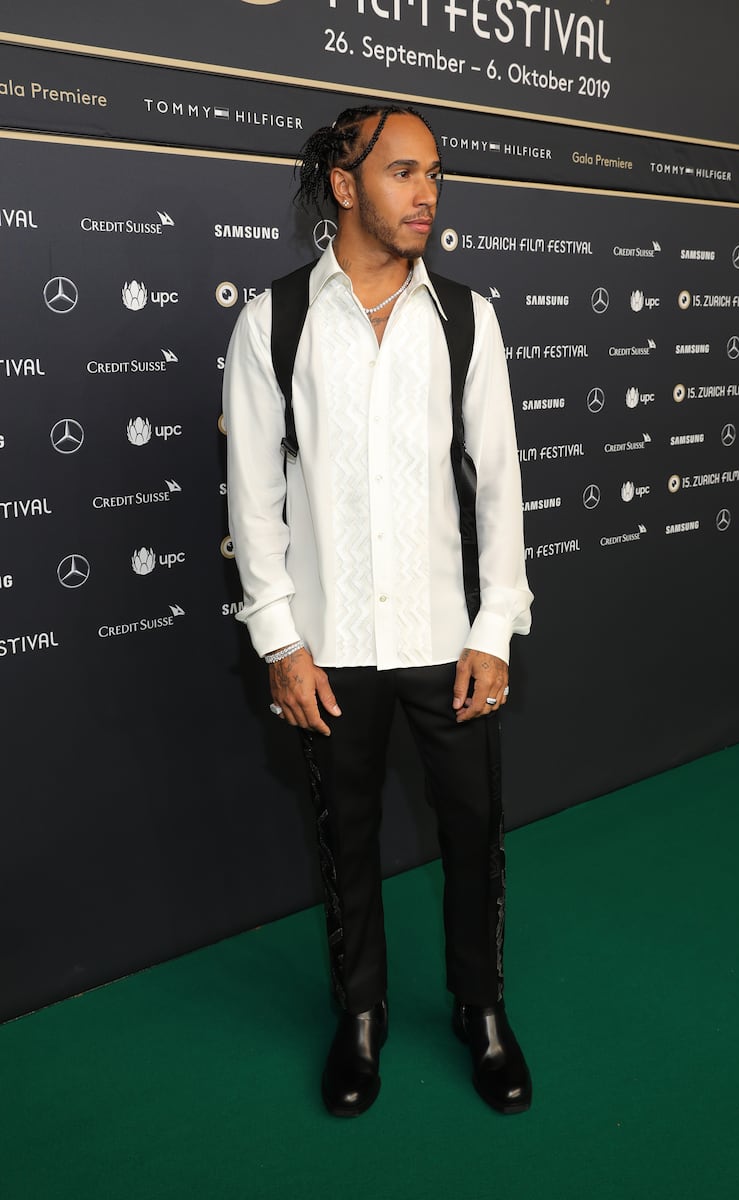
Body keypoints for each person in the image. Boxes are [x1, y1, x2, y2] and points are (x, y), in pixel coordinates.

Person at [223, 104, 533, 1117]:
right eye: (402, 172)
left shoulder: (466, 318)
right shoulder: (273, 321)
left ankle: (479, 1012)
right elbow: (251, 497)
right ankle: (359, 1018)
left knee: (473, 834)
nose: (426, 194)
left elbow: (498, 485)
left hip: (446, 641)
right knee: (343, 841)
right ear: (344, 183)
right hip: (333, 648)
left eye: (434, 174)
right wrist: (279, 637)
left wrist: (493, 629)